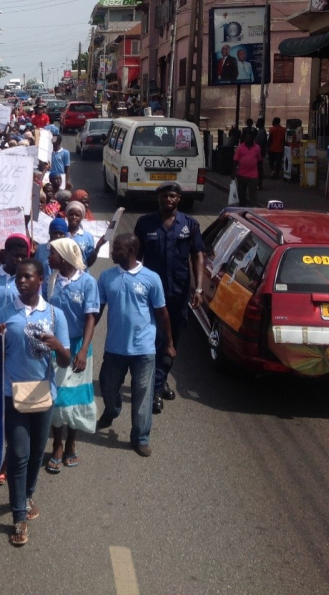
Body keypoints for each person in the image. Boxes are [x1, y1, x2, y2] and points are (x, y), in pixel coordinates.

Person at [0, 258, 70, 547]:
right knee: (19, 454)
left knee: (36, 453)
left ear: (40, 279)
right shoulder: (4, 313)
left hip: (44, 394)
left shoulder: (56, 315)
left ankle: (27, 493)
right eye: (18, 277)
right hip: (13, 395)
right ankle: (19, 516)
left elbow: (67, 360)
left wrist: (57, 345)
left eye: (27, 277)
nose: (21, 281)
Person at [95, 234, 173, 457]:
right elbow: (98, 309)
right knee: (108, 387)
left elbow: (162, 313)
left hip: (143, 350)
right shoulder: (106, 277)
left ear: (130, 251)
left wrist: (169, 343)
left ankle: (140, 437)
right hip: (114, 349)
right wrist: (86, 337)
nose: (112, 252)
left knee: (142, 397)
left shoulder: (151, 278)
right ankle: (112, 410)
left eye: (117, 248)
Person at [133, 182, 205, 414]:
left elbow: (198, 257)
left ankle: (160, 380)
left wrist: (199, 289)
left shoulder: (190, 225)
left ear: (179, 199)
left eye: (173, 196)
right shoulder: (145, 224)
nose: (168, 200)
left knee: (173, 340)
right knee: (155, 341)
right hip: (151, 296)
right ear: (159, 199)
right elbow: (136, 258)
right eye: (164, 196)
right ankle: (154, 390)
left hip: (178, 294)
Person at [44, 239, 99, 473]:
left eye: (52, 254)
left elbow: (90, 318)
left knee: (75, 397)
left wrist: (83, 350)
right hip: (55, 345)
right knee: (57, 398)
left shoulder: (87, 282)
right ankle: (56, 443)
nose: (48, 258)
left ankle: (70, 442)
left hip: (78, 346)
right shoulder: (51, 280)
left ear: (65, 256)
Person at [233, 128, 262, 208]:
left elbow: (259, 162)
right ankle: (242, 208)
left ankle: (253, 210)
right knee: (241, 194)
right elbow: (235, 160)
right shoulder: (240, 148)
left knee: (253, 195)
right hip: (241, 175)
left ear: (253, 138)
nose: (247, 139)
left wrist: (260, 176)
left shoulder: (257, 148)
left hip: (253, 175)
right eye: (246, 138)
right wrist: (234, 172)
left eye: (249, 138)